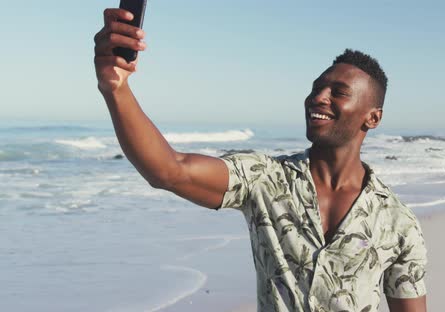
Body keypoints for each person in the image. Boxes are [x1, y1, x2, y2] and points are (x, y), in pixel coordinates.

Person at [93, 8, 427, 312]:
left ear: (373, 117)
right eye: (317, 87)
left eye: (338, 92)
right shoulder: (264, 178)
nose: (318, 97)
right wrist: (116, 89)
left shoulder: (398, 223)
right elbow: (170, 171)